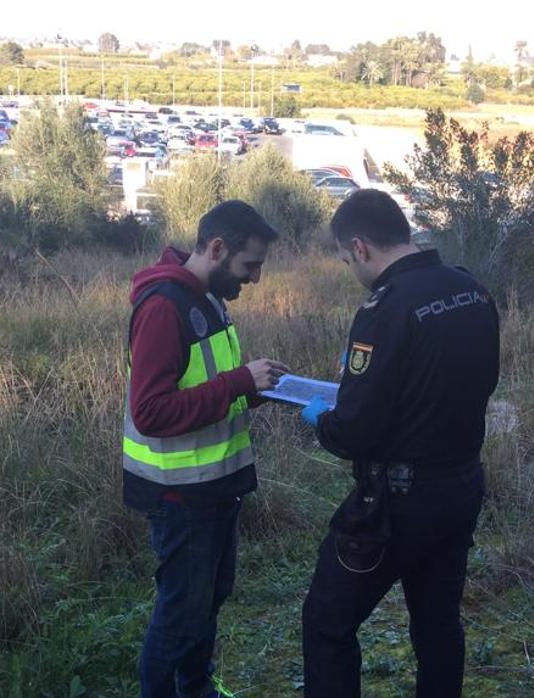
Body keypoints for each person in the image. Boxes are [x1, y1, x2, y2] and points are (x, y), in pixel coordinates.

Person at [299, 190, 501, 698]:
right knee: (437, 625)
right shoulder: (471, 290)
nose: (351, 269)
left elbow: (356, 431)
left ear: (361, 247)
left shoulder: (384, 310)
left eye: (347, 260)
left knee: (327, 622)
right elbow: (484, 382)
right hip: (460, 487)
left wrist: (324, 421)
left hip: (396, 504)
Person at [124, 200, 289, 698]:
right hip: (181, 498)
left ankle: (196, 690)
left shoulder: (210, 300)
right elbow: (151, 411)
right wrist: (240, 381)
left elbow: (210, 388)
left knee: (208, 601)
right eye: (249, 266)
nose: (255, 279)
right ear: (217, 249)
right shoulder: (162, 308)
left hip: (216, 488)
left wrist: (261, 388)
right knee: (180, 615)